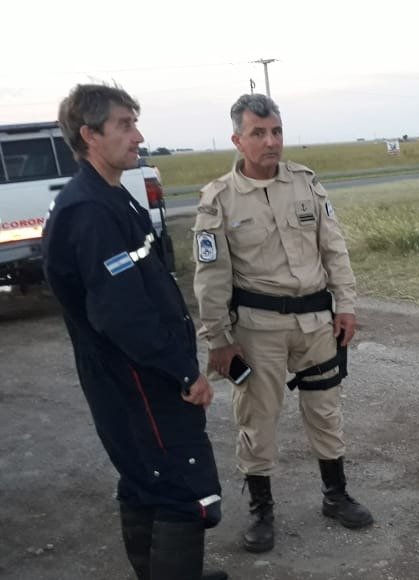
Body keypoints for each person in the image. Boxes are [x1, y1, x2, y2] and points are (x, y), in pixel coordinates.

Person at [42, 84, 225, 580]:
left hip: (135, 378)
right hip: (138, 380)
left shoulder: (111, 196)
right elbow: (124, 317)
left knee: (146, 480)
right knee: (184, 490)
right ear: (90, 135)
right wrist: (185, 373)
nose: (138, 136)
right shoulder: (90, 212)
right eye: (124, 124)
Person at [193, 93, 373, 554]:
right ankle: (261, 510)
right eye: (258, 133)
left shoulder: (306, 184)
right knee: (258, 420)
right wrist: (218, 340)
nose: (271, 141)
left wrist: (346, 306)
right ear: (238, 139)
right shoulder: (219, 200)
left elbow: (334, 249)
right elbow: (211, 279)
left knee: (326, 411)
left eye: (276, 131)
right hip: (259, 329)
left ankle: (336, 495)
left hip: (316, 323)